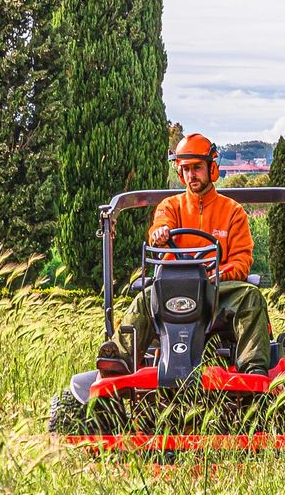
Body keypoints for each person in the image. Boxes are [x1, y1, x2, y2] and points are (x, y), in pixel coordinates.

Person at [98, 133, 271, 376]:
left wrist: (217, 274)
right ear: (180, 173)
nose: (192, 175)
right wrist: (159, 233)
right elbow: (159, 226)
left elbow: (242, 261)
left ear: (212, 169)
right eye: (186, 169)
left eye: (197, 168)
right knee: (144, 300)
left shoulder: (233, 212)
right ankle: (119, 359)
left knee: (251, 296)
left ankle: (253, 369)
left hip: (216, 291)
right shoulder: (170, 206)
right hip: (173, 288)